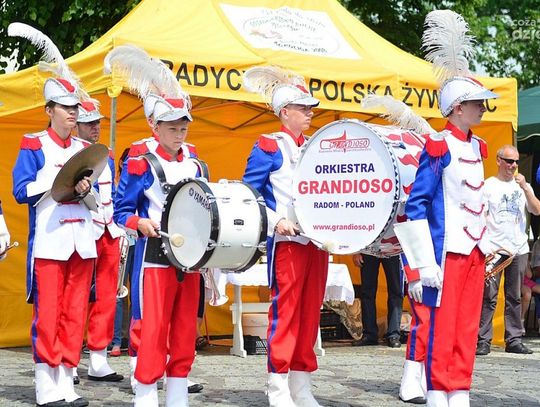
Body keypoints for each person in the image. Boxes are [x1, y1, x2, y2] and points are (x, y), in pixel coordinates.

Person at [393, 10, 501, 407]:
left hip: (474, 252)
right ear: (457, 108)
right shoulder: (438, 146)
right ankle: (438, 389)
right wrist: (422, 263)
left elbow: (477, 201)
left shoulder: (477, 147)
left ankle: (460, 389)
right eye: (476, 104)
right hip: (446, 251)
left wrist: (489, 241)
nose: (482, 109)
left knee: (468, 326)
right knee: (441, 324)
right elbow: (417, 205)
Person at [10, 22, 96, 407]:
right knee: (48, 315)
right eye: (66, 108)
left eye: (75, 107)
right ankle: (45, 384)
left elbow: (95, 198)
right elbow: (20, 191)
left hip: (82, 240)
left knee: (75, 314)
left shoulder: (83, 148)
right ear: (49, 110)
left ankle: (66, 380)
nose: (73, 114)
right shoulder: (34, 144)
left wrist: (86, 189)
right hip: (49, 241)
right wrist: (56, 181)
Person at [242, 66, 329, 407]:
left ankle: (301, 387)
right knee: (286, 313)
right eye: (303, 107)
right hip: (287, 243)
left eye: (310, 108)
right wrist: (276, 220)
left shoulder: (317, 146)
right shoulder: (269, 145)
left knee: (310, 315)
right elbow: (249, 194)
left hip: (316, 242)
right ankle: (278, 387)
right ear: (284, 112)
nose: (310, 113)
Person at [115, 92, 203, 406]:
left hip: (190, 257)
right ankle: (146, 394)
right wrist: (140, 223)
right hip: (154, 255)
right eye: (172, 129)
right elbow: (121, 211)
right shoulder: (141, 160)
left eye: (183, 129)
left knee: (184, 328)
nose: (179, 135)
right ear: (155, 126)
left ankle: (177, 395)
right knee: (152, 327)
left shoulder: (195, 161)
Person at [74, 101, 124, 382]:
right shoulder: (70, 152)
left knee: (107, 296)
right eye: (90, 123)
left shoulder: (107, 153)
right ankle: (67, 360)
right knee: (76, 296)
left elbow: (111, 192)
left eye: (98, 122)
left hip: (108, 230)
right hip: (82, 229)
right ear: (77, 124)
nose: (96, 127)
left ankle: (98, 357)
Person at [476, 145, 540, 356]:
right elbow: (481, 217)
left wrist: (527, 189)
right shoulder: (488, 186)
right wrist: (484, 246)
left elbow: (536, 210)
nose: (513, 166)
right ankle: (483, 339)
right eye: (509, 161)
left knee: (515, 296)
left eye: (516, 162)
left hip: (517, 248)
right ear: (498, 160)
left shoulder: (522, 186)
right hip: (495, 248)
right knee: (489, 296)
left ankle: (513, 339)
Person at [352, 254, 403, 348]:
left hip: (391, 249)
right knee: (367, 292)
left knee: (395, 290)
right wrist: (357, 252)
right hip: (369, 249)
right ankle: (369, 334)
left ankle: (394, 335)